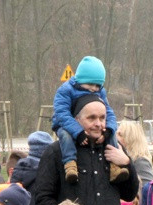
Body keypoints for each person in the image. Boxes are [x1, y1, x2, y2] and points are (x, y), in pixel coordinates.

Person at [52, 55, 125, 184]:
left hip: (83, 126)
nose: (94, 89)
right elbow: (62, 113)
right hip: (66, 123)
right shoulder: (66, 90)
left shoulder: (100, 92)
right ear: (80, 79)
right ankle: (70, 163)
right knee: (65, 136)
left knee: (113, 133)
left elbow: (109, 112)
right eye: (90, 84)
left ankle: (115, 166)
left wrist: (109, 130)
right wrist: (78, 132)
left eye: (97, 86)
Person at [117, 120, 153, 189]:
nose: (116, 137)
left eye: (120, 134)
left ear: (130, 139)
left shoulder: (141, 161)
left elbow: (147, 189)